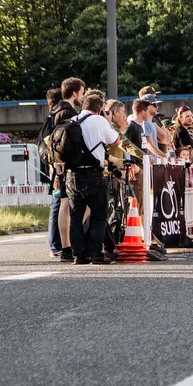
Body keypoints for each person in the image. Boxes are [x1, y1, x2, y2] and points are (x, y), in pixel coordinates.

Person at [59, 91, 141, 264]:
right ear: (99, 109)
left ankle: (78, 255)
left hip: (72, 175)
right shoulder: (99, 120)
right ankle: (96, 254)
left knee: (76, 216)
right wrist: (107, 120)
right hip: (93, 174)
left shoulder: (72, 121)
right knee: (98, 213)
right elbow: (115, 141)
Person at [39, 87, 74, 258]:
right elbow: (52, 145)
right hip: (57, 167)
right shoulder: (57, 118)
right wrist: (54, 166)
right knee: (58, 204)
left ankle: (56, 244)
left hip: (54, 166)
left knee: (58, 203)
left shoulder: (49, 118)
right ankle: (55, 244)